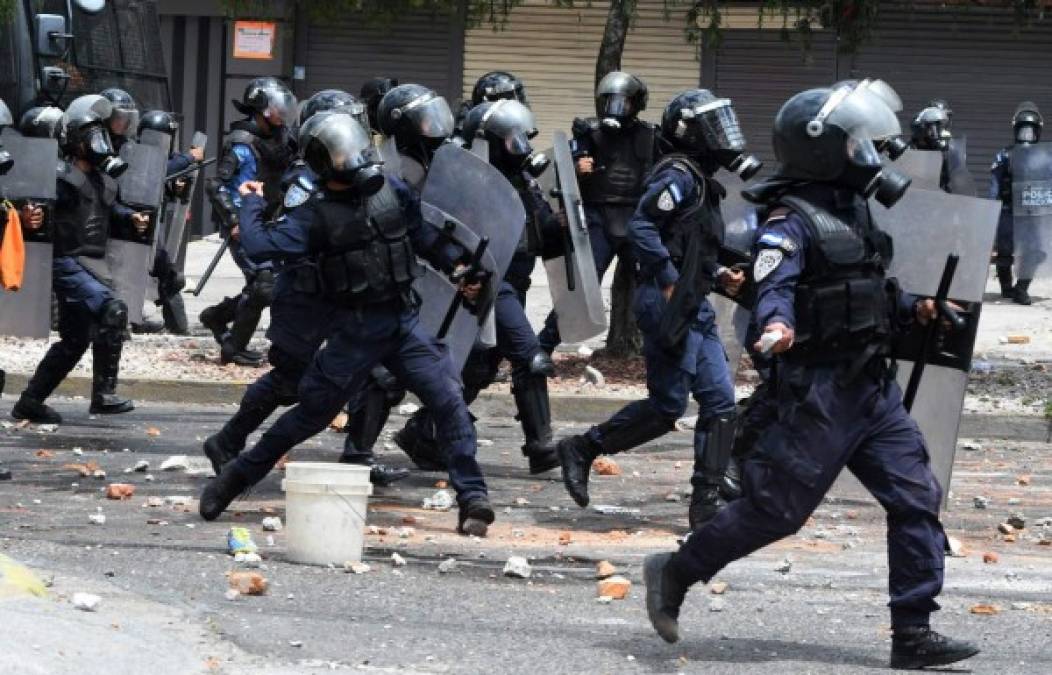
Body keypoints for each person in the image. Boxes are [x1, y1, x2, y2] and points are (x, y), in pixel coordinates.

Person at [642, 82, 980, 671]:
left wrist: (916, 309)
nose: (871, 154)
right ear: (824, 151)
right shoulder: (789, 222)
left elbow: (872, 291)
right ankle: (676, 571)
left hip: (872, 391)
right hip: (818, 395)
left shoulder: (855, 211)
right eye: (858, 145)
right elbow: (774, 288)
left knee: (916, 497)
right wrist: (777, 327)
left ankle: (913, 631)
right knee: (776, 512)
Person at [198, 112, 496, 536]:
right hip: (355, 331)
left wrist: (461, 268)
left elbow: (421, 237)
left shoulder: (390, 190)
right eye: (341, 154)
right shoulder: (313, 214)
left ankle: (473, 499)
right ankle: (233, 480)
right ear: (324, 162)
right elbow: (262, 246)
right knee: (308, 416)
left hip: (402, 322)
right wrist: (250, 200)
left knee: (449, 401)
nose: (353, 160)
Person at [554, 89, 750, 529]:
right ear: (689, 132)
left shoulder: (700, 180)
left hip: (691, 301)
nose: (725, 136)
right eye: (713, 127)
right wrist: (666, 279)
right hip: (666, 302)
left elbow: (690, 243)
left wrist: (719, 274)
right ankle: (584, 447)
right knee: (669, 408)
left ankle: (706, 502)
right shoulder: (678, 175)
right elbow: (643, 226)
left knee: (719, 403)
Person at [202, 90, 409, 488]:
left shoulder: (353, 178)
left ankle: (357, 457)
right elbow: (290, 237)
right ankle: (226, 442)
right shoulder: (306, 182)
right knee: (289, 381)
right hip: (306, 297)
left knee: (376, 373)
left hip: (344, 293)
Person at [393, 98, 564, 475]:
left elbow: (543, 235)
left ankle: (423, 430)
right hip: (487, 280)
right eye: (513, 140)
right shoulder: (466, 179)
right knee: (530, 356)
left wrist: (565, 222)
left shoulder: (523, 180)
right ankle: (541, 445)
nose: (521, 148)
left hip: (516, 279)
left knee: (479, 367)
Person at [11, 95, 147, 423]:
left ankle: (29, 402)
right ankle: (103, 395)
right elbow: (32, 205)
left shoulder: (100, 179)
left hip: (90, 264)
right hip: (64, 261)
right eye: (92, 137)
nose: (99, 143)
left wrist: (130, 217)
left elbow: (106, 209)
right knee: (112, 309)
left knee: (75, 339)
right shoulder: (59, 177)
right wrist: (28, 216)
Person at [201, 77, 297, 365]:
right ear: (262, 109)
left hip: (269, 220)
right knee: (263, 284)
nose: (282, 113)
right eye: (277, 107)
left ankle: (216, 317)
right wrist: (233, 221)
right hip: (243, 223)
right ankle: (233, 348)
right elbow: (216, 185)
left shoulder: (279, 139)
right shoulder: (242, 143)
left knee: (271, 284)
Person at [137, 110, 204, 335]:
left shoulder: (159, 158)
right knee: (138, 274)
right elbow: (158, 170)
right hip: (131, 226)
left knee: (167, 273)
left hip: (150, 225)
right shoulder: (138, 155)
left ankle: (176, 325)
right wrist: (190, 158)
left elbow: (166, 170)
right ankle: (130, 320)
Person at [991, 101, 1046, 305]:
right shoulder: (1005, 154)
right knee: (1005, 251)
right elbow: (995, 184)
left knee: (1034, 250)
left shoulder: (1043, 156)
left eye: (1031, 131)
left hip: (1033, 212)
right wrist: (990, 211)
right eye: (1023, 130)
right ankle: (1006, 287)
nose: (1027, 134)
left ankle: (1021, 288)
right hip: (1008, 210)